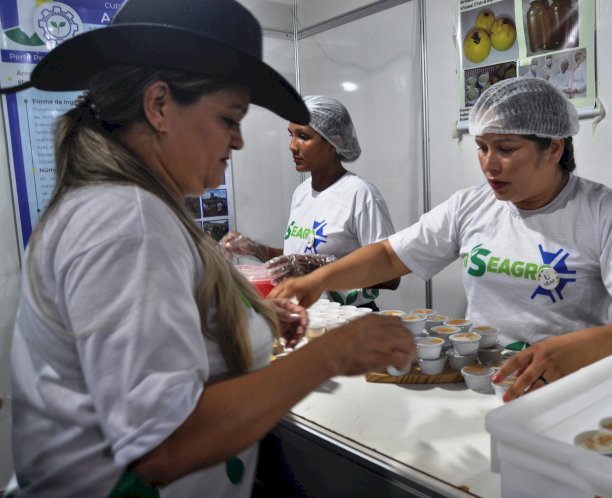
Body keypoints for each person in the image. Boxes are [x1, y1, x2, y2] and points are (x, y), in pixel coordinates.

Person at [5, 1, 415, 496]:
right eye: (228, 118)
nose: (239, 141)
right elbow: (166, 446)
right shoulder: (124, 220)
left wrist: (245, 319)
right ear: (158, 106)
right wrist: (332, 353)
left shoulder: (128, 205)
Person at [271, 77, 612, 402]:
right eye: (481, 147)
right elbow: (388, 256)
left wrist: (580, 346)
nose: (489, 163)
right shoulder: (472, 205)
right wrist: (316, 281)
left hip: (561, 385)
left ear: (553, 148)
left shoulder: (606, 213)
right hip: (484, 378)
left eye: (505, 148)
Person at [221, 95, 398, 309]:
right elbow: (298, 257)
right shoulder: (302, 193)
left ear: (335, 143)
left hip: (349, 318)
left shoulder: (360, 195)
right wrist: (255, 249)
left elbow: (391, 275)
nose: (292, 146)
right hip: (307, 314)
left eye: (303, 136)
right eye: (291, 135)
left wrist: (320, 265)